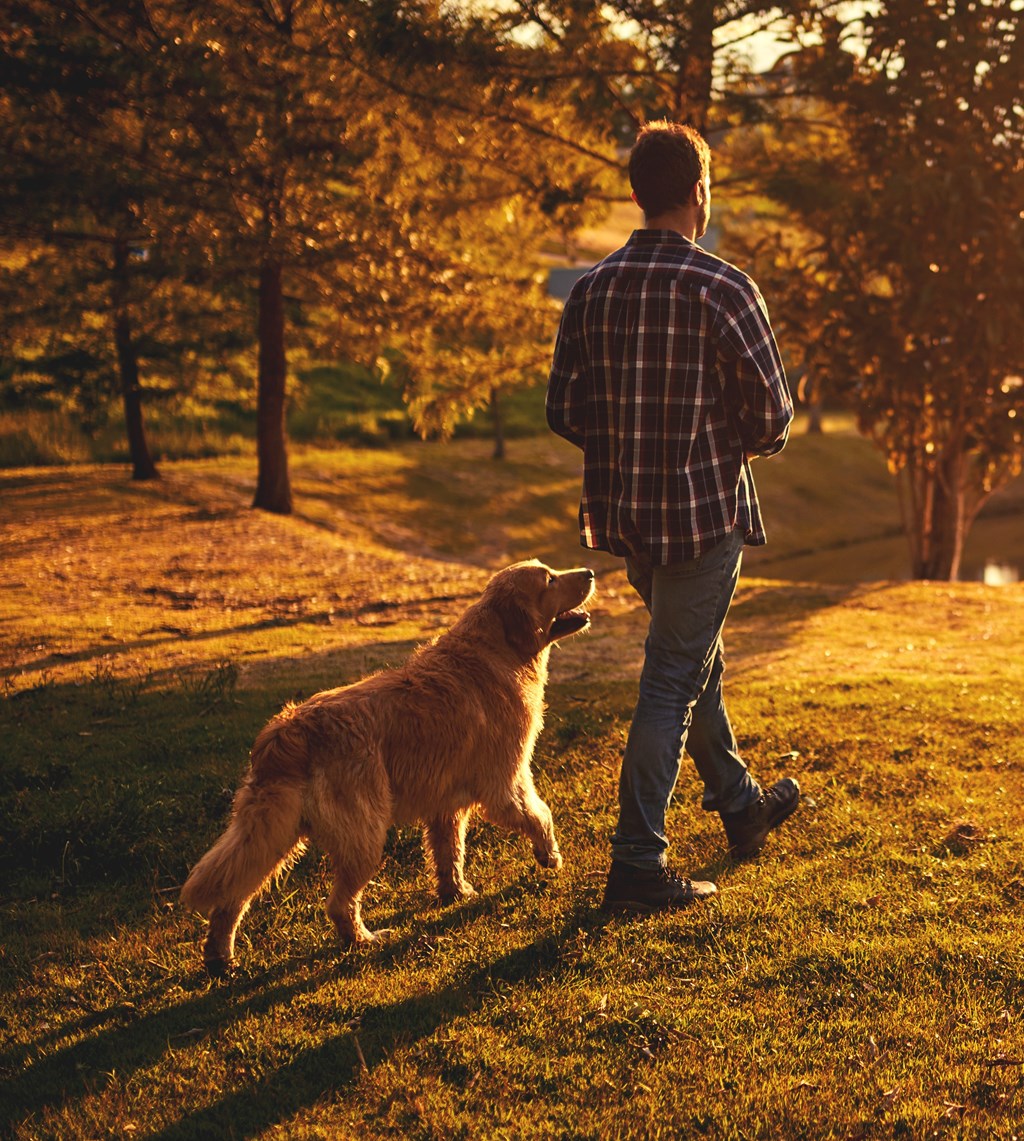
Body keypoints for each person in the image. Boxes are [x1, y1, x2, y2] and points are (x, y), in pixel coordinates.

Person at [546, 120, 800, 914]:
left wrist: (629, 443)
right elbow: (772, 419)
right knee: (672, 680)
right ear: (699, 191)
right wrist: (707, 439)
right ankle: (636, 865)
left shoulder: (591, 289)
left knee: (693, 661)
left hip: (631, 520)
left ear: (635, 193)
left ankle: (740, 803)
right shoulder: (724, 287)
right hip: (701, 518)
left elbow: (564, 409)